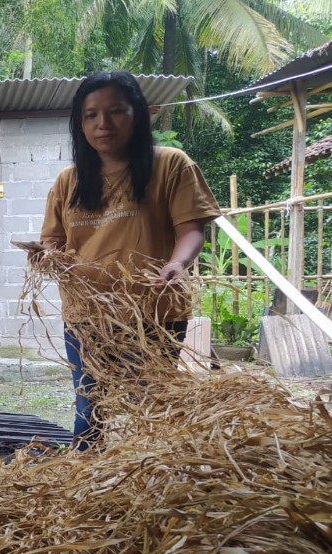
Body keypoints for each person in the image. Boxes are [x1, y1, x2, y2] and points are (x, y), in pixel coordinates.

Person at [35, 71, 221, 449]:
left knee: (149, 406)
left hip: (152, 312)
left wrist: (177, 264)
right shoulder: (68, 181)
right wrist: (46, 257)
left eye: (116, 111)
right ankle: (85, 483)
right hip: (87, 315)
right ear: (80, 123)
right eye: (90, 115)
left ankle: (149, 478)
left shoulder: (171, 165)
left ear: (138, 114)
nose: (102, 124)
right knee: (90, 410)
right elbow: (53, 241)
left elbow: (191, 228)